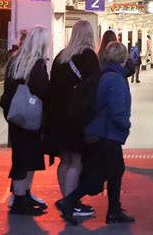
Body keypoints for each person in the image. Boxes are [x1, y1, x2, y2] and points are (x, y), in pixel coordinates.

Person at [56, 42, 134, 225]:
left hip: (99, 132)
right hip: (107, 133)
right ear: (123, 58)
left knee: (116, 171)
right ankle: (69, 201)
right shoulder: (115, 79)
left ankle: (114, 210)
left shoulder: (103, 74)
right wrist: (125, 126)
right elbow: (117, 110)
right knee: (100, 176)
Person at [46, 20, 100, 217]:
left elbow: (52, 88)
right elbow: (94, 89)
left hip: (57, 117)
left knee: (65, 160)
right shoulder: (89, 57)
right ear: (89, 35)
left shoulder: (61, 57)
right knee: (76, 161)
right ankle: (71, 203)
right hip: (78, 118)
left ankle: (66, 199)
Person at [0, 26, 50, 215]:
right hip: (30, 119)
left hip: (15, 116)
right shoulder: (36, 64)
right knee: (26, 158)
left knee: (21, 156)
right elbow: (43, 91)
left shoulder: (15, 62)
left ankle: (23, 196)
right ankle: (20, 200)